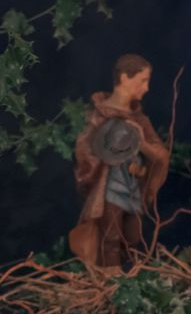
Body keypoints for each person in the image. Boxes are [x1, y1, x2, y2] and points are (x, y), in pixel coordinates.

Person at [71, 53, 170, 270]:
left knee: (133, 239)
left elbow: (161, 156)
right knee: (111, 237)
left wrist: (142, 147)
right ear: (125, 78)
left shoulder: (140, 120)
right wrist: (105, 157)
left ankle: (131, 282)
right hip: (109, 189)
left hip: (132, 188)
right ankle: (112, 286)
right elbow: (85, 154)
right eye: (143, 80)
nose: (146, 88)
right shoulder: (98, 116)